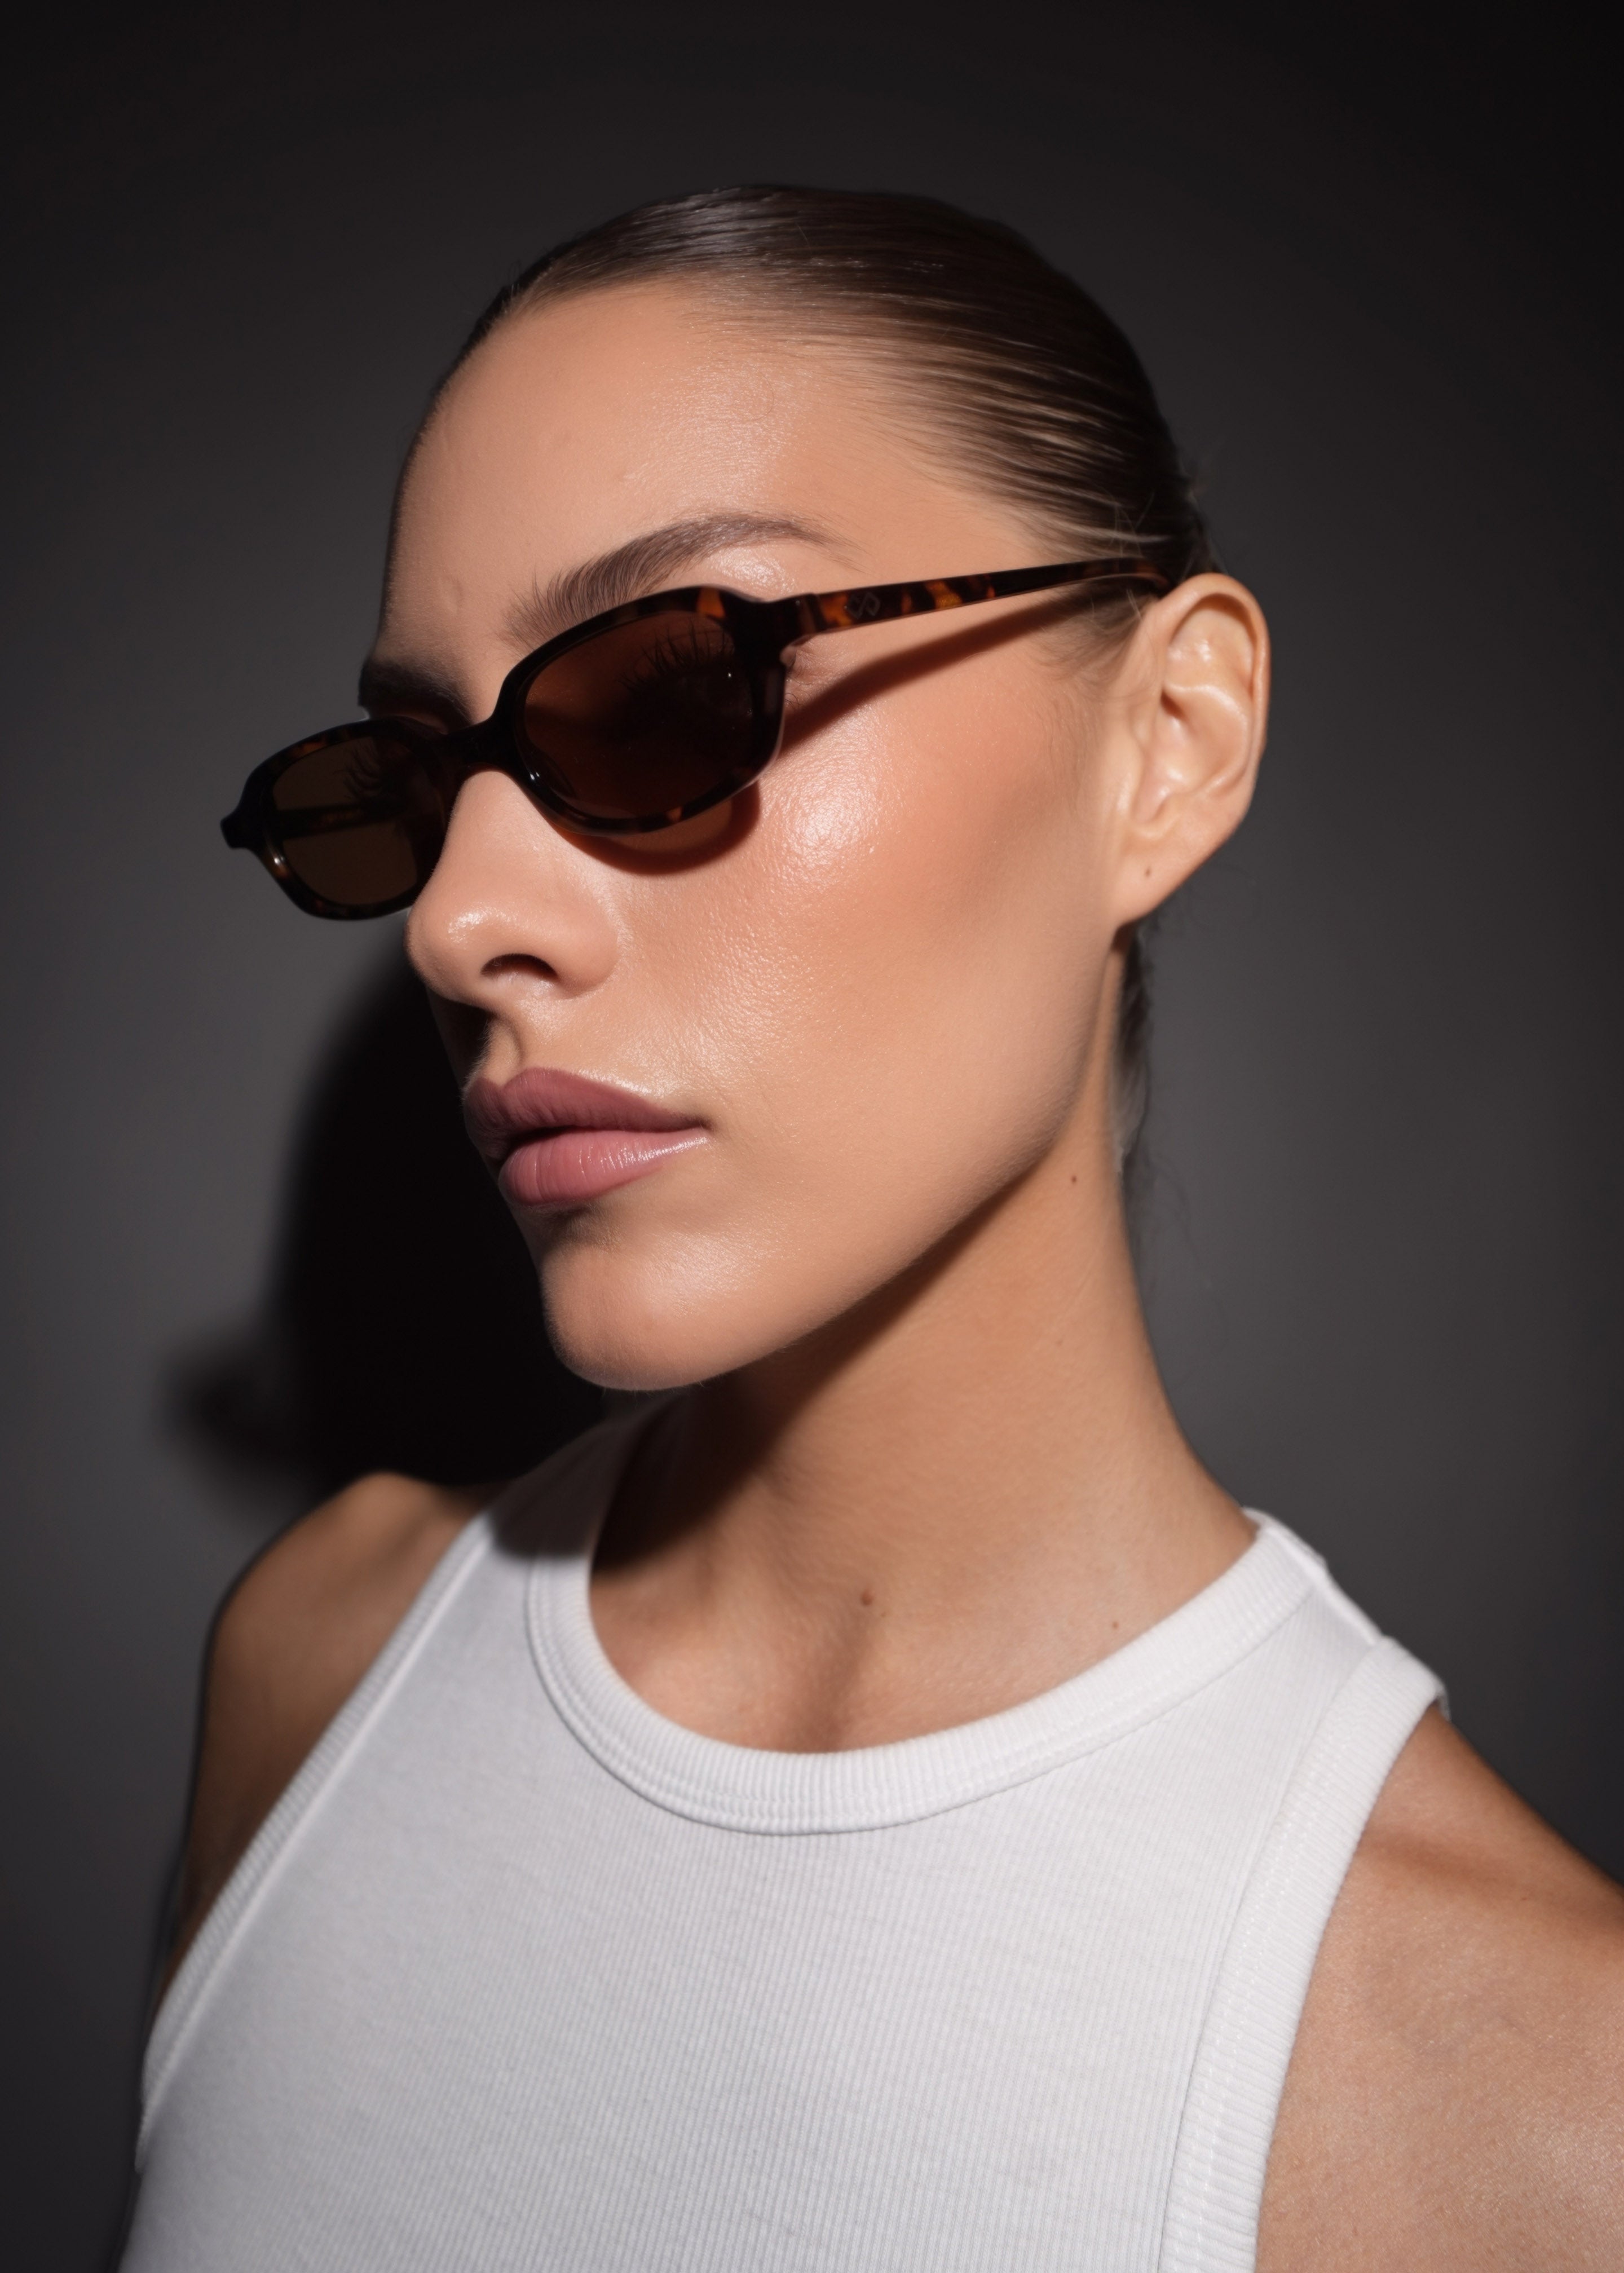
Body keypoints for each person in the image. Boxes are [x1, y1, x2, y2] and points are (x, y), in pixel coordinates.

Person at [122, 187, 1624, 2271]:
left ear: (1167, 746)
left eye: (675, 693)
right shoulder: (318, 1662)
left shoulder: (1537, 2104)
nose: (463, 921)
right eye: (415, 776)